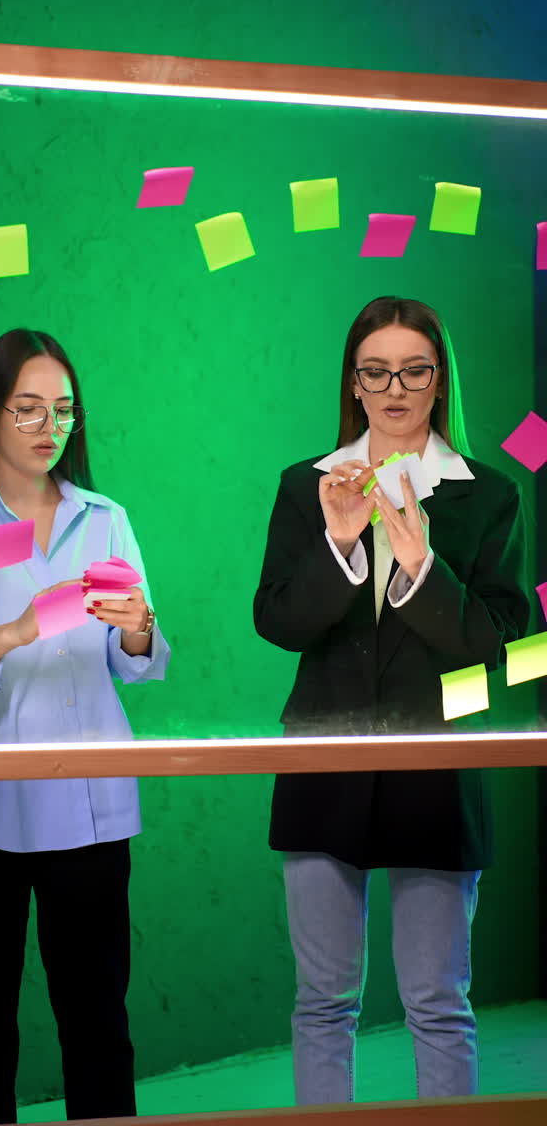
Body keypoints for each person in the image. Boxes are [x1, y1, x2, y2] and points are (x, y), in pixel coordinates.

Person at [253, 296, 529, 1105]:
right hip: (322, 763)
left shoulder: (489, 494)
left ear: (439, 381)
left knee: (438, 1005)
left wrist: (418, 566)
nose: (395, 387)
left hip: (436, 768)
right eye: (376, 372)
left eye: (414, 370)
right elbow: (277, 620)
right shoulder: (307, 487)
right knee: (322, 1004)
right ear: (355, 383)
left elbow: (504, 639)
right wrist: (340, 542)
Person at [0, 328, 170, 1126]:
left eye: (64, 411)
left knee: (99, 1025)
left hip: (89, 806)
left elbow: (139, 658)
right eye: (29, 409)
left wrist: (139, 628)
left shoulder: (105, 518)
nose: (50, 427)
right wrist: (9, 635)